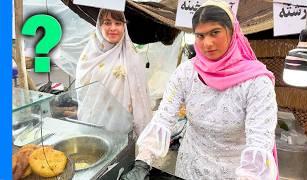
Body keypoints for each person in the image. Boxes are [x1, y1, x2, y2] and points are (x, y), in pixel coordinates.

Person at [121, 0, 278, 179]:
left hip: (233, 173)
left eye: (215, 32)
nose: (207, 43)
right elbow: (164, 117)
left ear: (232, 32)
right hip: (189, 167)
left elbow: (259, 141)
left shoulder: (256, 82)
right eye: (200, 36)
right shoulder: (186, 73)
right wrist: (143, 161)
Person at [75, 9, 152, 135]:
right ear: (99, 26)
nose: (113, 28)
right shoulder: (88, 57)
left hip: (121, 132)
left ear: (124, 26)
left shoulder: (132, 59)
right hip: (91, 128)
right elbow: (82, 93)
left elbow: (141, 101)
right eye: (107, 23)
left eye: (118, 23)